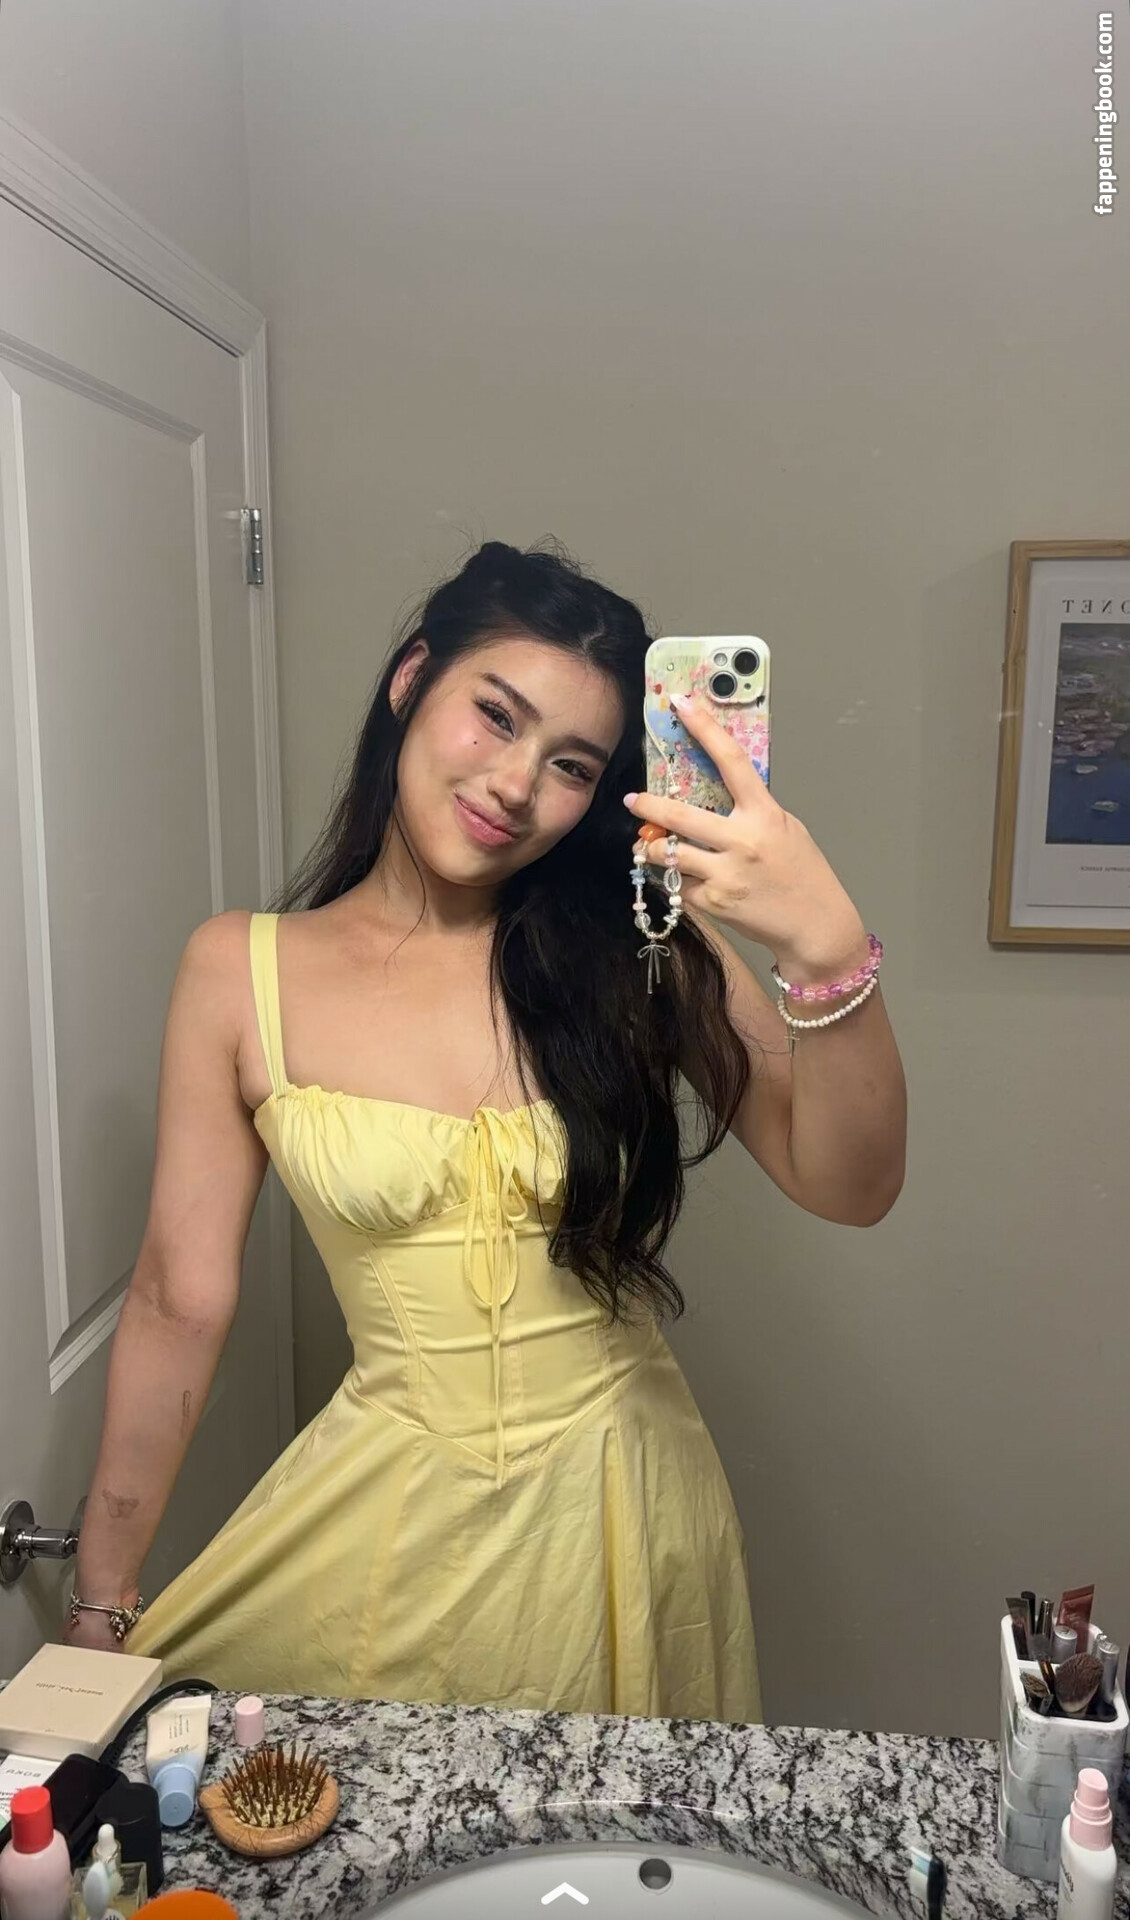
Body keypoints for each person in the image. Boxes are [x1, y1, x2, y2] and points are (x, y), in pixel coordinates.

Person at [66, 539, 906, 1720]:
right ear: (412, 680)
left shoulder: (641, 947)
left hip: (621, 1515)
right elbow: (175, 1300)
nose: (515, 784)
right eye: (494, 716)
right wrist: (101, 1599)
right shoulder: (236, 971)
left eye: (569, 765)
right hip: (385, 1519)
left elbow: (849, 1185)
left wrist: (825, 948)